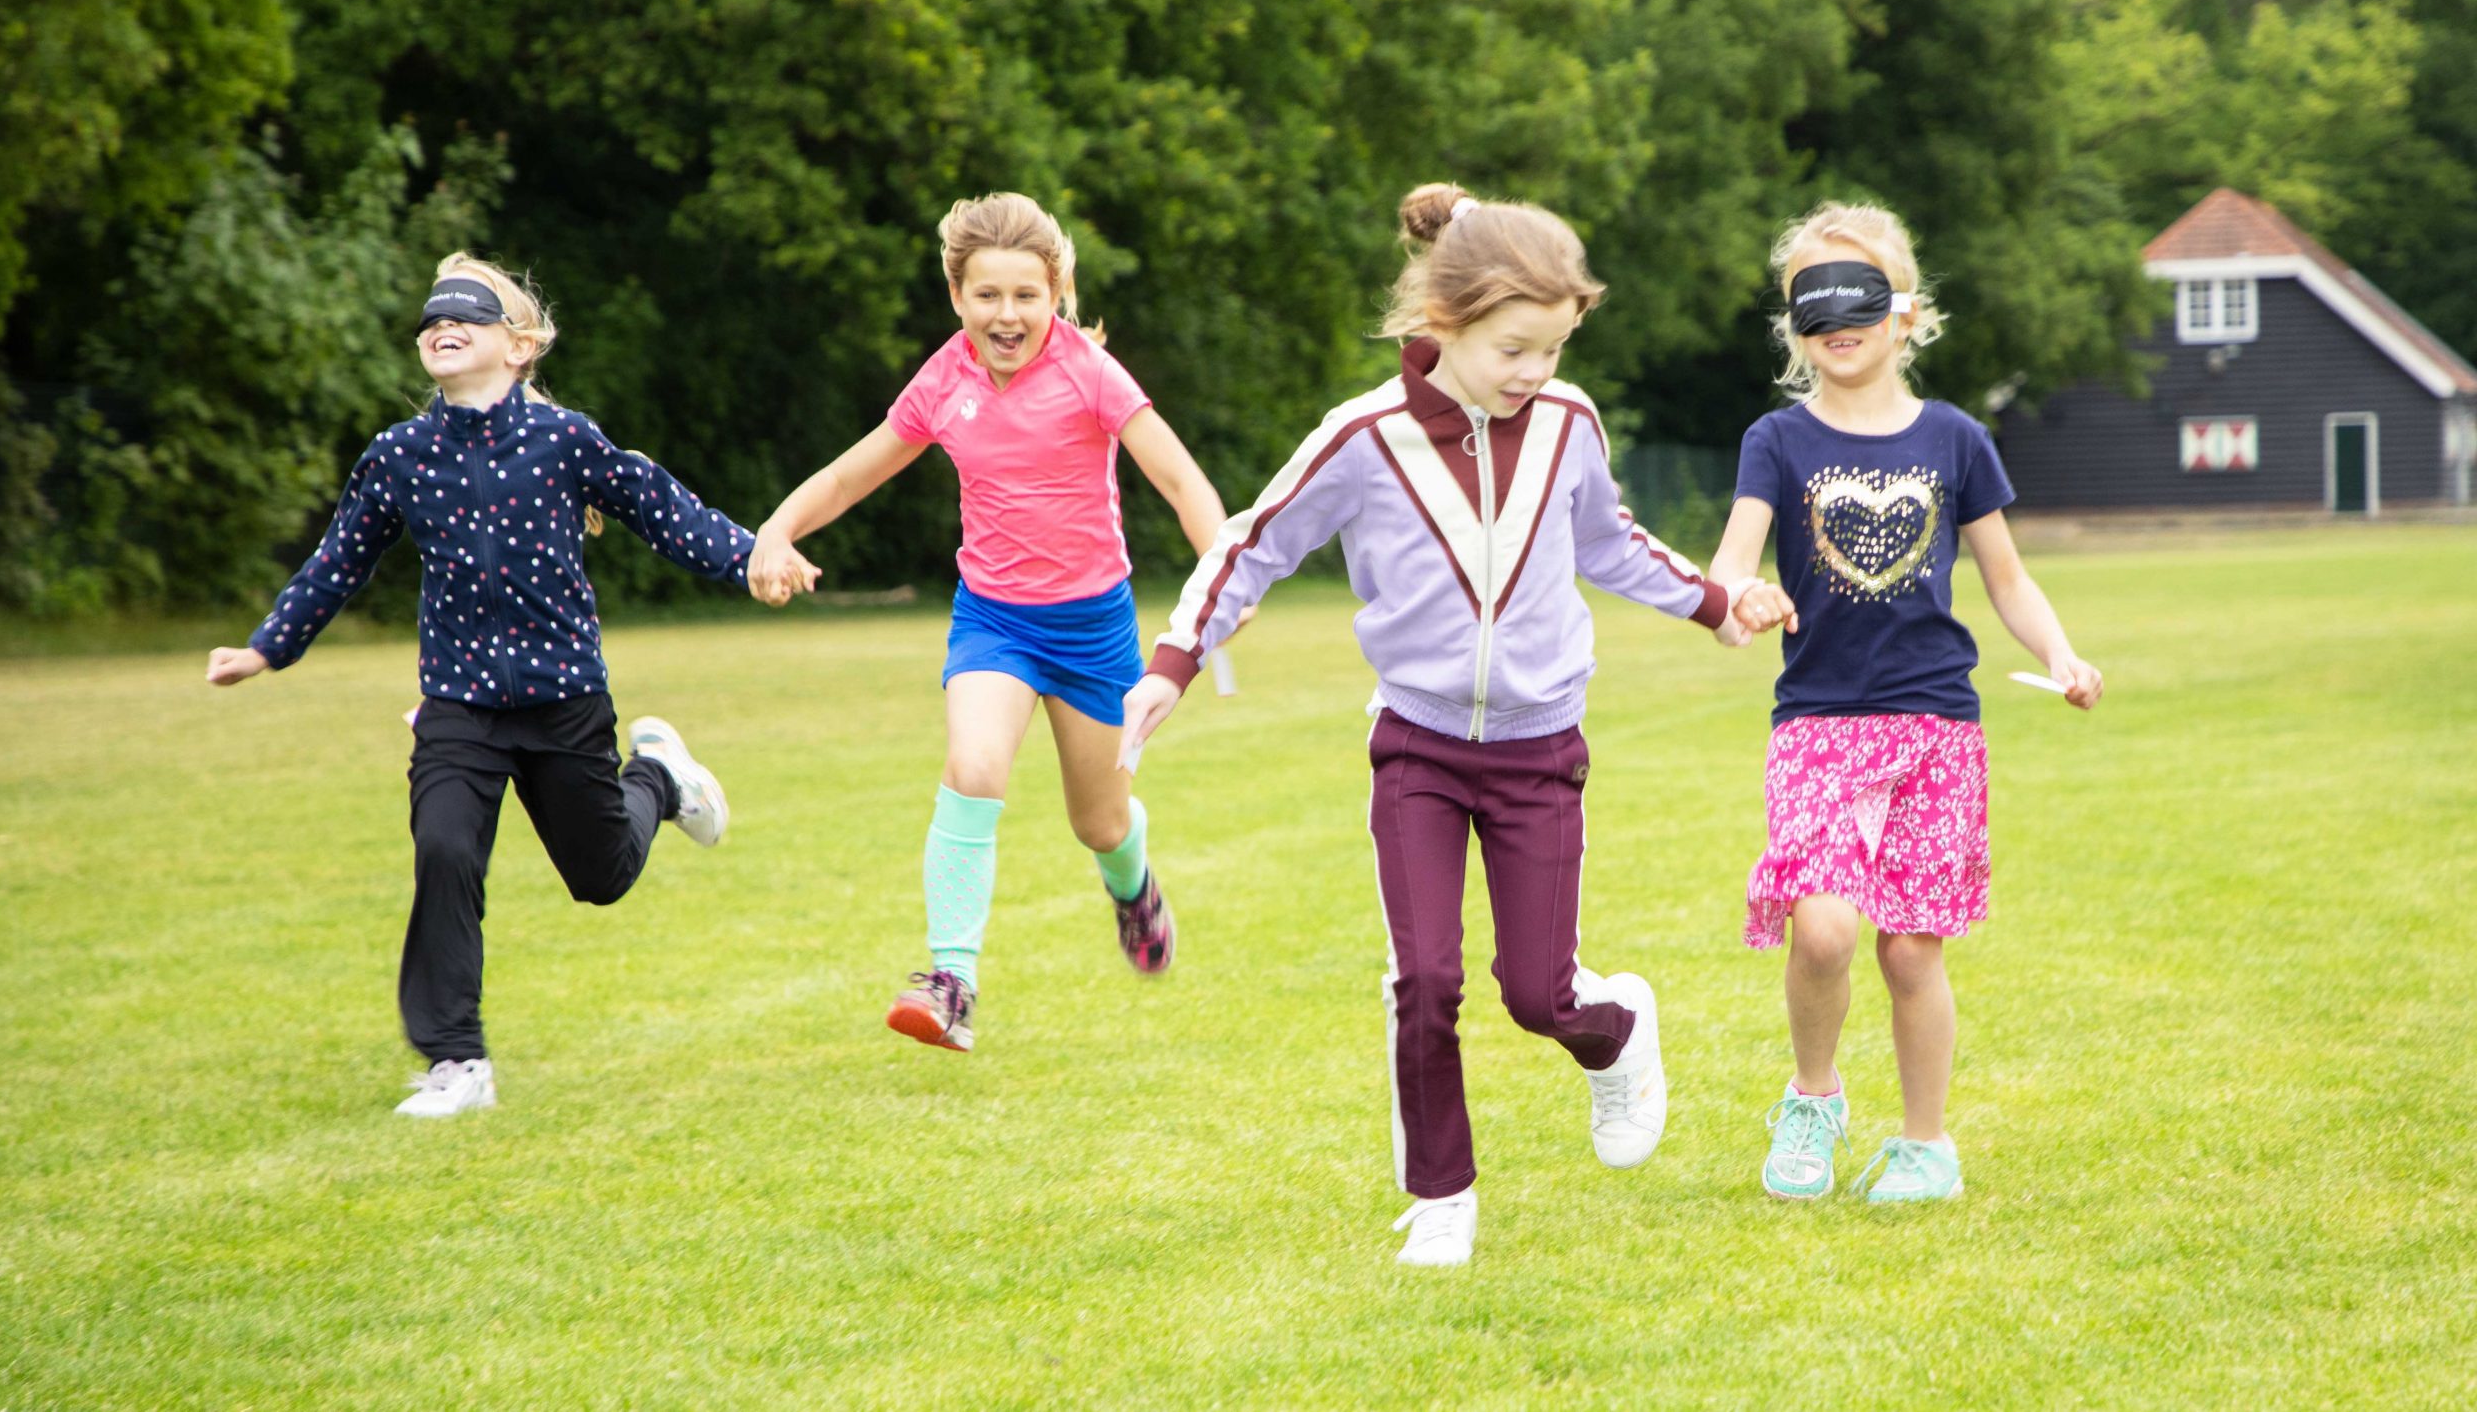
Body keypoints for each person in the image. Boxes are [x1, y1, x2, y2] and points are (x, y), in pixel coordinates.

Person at [1118, 183, 1780, 1268]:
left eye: (1553, 351)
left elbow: (1608, 542)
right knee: (1421, 978)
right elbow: (1252, 547)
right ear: (1444, 320)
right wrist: (1173, 666)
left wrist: (1716, 603)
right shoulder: (1361, 436)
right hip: (1416, 747)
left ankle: (1614, 1032)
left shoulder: (1568, 423)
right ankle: (1441, 1198)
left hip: (1539, 749)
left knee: (1538, 992)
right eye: (1515, 348)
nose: (1535, 374)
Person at [205, 253, 757, 1117]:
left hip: (563, 699)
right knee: (445, 848)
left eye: (464, 314)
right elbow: (337, 562)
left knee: (602, 874)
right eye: (430, 319)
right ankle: (456, 1061)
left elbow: (663, 507)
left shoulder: (565, 440)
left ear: (521, 345)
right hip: (458, 706)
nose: (440, 325)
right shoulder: (400, 456)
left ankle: (660, 777)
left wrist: (752, 555)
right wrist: (269, 646)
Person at [746, 193, 1239, 1054]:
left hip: (1095, 630)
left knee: (1101, 823)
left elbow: (1183, 482)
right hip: (994, 621)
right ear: (956, 297)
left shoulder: (1090, 371)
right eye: (987, 296)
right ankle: (951, 979)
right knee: (973, 767)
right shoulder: (944, 379)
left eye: (1025, 296)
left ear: (1056, 294)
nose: (1006, 315)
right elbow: (848, 475)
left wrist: (1223, 584)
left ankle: (1133, 888)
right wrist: (778, 528)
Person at [1706, 201, 2103, 1205]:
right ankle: (1813, 1096)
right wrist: (1741, 597)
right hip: (1817, 724)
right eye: (1813, 302)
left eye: (1858, 296)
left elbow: (2007, 580)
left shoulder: (1956, 440)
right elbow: (1730, 564)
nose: (1837, 322)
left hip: (1936, 724)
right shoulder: (1775, 440)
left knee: (1910, 949)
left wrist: (2060, 654)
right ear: (1793, 325)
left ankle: (1925, 1148)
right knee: (1826, 930)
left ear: (1904, 312)